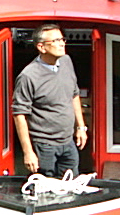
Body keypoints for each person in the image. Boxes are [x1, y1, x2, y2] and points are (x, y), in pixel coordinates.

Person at [12, 23, 87, 178]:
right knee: (45, 188)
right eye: (56, 41)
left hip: (68, 142)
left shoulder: (66, 61)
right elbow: (19, 115)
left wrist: (81, 127)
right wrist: (28, 152)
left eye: (62, 39)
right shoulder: (28, 76)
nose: (61, 43)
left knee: (71, 185)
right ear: (41, 47)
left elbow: (74, 94)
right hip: (44, 146)